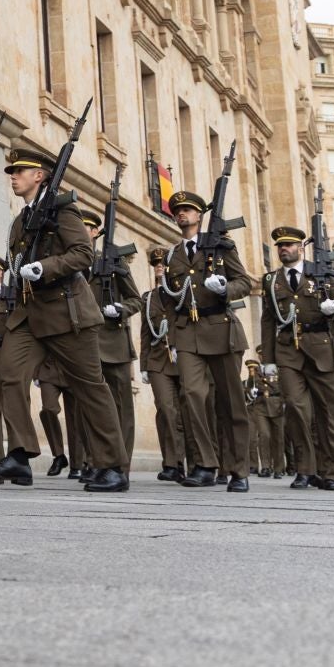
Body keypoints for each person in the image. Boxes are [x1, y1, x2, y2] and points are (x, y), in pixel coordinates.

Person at [0, 148, 129, 492]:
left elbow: (82, 253)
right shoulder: (20, 221)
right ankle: (19, 454)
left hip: (66, 312)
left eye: (20, 171)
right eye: (11, 171)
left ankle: (112, 466)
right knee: (8, 376)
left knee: (89, 388)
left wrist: (45, 267)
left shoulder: (62, 210)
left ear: (40, 176)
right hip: (29, 315)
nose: (13, 176)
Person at [159, 190, 250, 491]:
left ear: (200, 215)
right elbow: (170, 302)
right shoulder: (172, 255)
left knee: (230, 401)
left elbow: (244, 283)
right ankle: (205, 464)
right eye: (178, 211)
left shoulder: (222, 247)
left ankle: (238, 469)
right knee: (193, 397)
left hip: (221, 328)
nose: (182, 214)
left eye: (188, 210)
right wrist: (172, 339)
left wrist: (225, 288)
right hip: (188, 332)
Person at [257, 226, 334, 490]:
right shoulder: (271, 280)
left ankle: (331, 472)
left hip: (321, 347)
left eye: (288, 245)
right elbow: (267, 320)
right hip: (288, 349)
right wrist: (268, 357)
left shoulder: (320, 273)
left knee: (328, 413)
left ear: (301, 248)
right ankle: (305, 469)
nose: (283, 249)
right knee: (297, 410)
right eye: (280, 246)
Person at [80, 205, 139, 479]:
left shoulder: (114, 262)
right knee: (90, 405)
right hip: (84, 343)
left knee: (120, 407)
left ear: (95, 232)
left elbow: (135, 299)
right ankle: (96, 462)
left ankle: (120, 465)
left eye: (85, 226)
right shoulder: (72, 264)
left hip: (113, 342)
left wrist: (120, 309)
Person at [138, 247, 186, 482]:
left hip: (183, 357)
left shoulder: (182, 292)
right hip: (158, 360)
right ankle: (172, 463)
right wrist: (144, 365)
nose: (159, 267)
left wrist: (178, 345)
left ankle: (197, 461)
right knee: (166, 409)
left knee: (188, 411)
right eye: (156, 264)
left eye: (163, 263)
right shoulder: (148, 298)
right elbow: (145, 333)